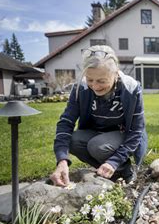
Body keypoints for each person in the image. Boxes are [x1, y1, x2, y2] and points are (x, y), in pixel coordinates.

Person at [50, 45, 147, 187]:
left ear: (116, 74)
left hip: (124, 134)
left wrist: (114, 160)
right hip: (98, 133)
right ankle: (112, 170)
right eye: (90, 80)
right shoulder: (80, 89)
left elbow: (136, 131)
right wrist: (62, 160)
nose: (95, 86)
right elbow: (66, 122)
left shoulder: (131, 88)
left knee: (97, 146)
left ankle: (125, 168)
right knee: (72, 140)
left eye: (101, 81)